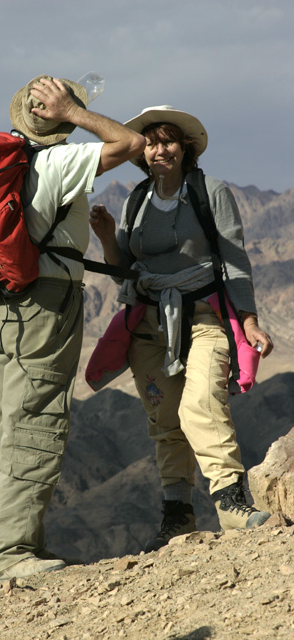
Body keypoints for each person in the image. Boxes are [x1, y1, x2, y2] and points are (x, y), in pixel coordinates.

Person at [89, 105, 274, 552]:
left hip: (204, 319)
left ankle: (232, 504)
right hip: (149, 327)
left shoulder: (210, 193)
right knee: (165, 420)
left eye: (168, 141)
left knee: (201, 406)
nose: (160, 150)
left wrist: (248, 320)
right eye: (151, 143)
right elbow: (124, 272)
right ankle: (177, 517)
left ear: (185, 147)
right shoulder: (136, 200)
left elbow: (234, 259)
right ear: (141, 153)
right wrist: (107, 236)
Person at [0, 76, 145, 579]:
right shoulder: (54, 161)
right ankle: (9, 555)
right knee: (37, 420)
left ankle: (22, 544)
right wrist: (74, 111)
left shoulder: (3, 166)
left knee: (11, 424)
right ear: (53, 116)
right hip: (45, 303)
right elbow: (131, 143)